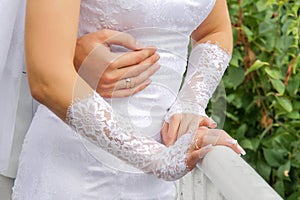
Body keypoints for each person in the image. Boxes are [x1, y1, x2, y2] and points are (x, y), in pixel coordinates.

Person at [12, 0, 245, 199]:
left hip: (156, 182)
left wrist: (191, 101)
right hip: (73, 169)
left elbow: (214, 30)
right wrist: (157, 159)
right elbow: (46, 78)